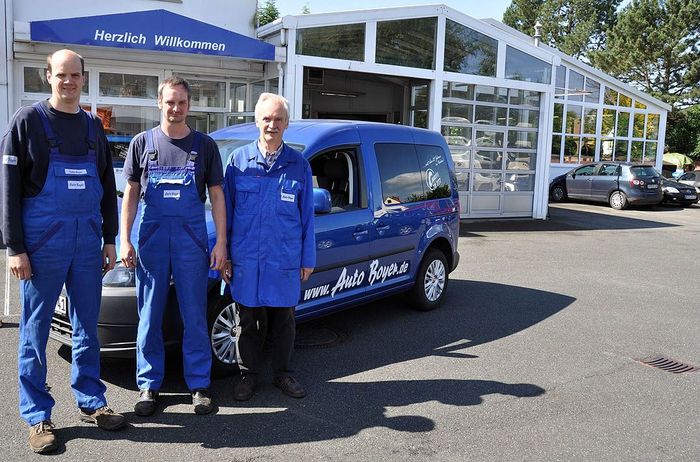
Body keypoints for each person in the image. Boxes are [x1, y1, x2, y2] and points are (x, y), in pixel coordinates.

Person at [0, 49, 125, 454]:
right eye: (61, 75)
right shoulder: (27, 122)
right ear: (47, 76)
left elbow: (108, 186)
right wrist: (14, 247)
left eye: (75, 75)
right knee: (35, 331)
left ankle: (92, 402)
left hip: (88, 242)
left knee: (87, 326)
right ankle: (37, 416)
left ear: (83, 79)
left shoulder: (92, 127)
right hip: (42, 244)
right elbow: (8, 190)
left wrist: (110, 238)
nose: (68, 82)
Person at [120, 76, 227, 416]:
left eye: (181, 102)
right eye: (170, 102)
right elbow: (131, 195)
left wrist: (221, 241)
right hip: (151, 240)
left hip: (191, 241)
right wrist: (125, 238)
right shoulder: (142, 143)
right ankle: (148, 385)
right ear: (160, 103)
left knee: (194, 313)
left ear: (189, 105)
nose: (176, 108)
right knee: (149, 315)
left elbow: (217, 196)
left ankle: (199, 385)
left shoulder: (205, 146)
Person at [222, 93, 315, 401]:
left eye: (278, 119)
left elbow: (307, 219)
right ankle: (248, 375)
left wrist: (307, 258)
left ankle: (283, 374)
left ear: (286, 124)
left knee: (283, 322)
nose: (272, 125)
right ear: (256, 121)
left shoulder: (298, 165)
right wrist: (226, 256)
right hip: (247, 260)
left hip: (284, 260)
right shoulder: (238, 162)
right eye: (266, 119)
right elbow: (227, 212)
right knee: (247, 321)